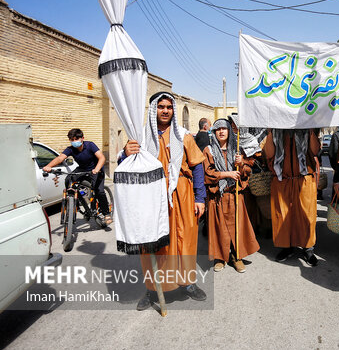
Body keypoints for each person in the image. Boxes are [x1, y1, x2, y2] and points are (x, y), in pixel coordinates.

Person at [122, 92, 208, 311]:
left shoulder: (183, 135)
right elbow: (126, 164)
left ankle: (188, 284)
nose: (165, 110)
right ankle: (152, 289)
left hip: (182, 194)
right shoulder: (140, 137)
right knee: (154, 244)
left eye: (169, 107)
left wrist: (200, 198)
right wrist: (125, 153)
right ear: (153, 109)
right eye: (161, 106)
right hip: (152, 197)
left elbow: (197, 166)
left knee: (184, 240)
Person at [203, 118, 260, 273]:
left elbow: (247, 172)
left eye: (224, 128)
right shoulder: (209, 150)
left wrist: (242, 162)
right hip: (218, 195)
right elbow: (207, 174)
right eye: (218, 129)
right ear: (214, 132)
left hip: (235, 194)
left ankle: (237, 257)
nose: (221, 131)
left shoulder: (237, 150)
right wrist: (225, 174)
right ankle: (220, 258)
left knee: (238, 227)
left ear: (229, 131)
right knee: (219, 228)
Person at [263, 129, 321, 266]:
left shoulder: (307, 129)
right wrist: (271, 131)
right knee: (283, 216)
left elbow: (315, 151)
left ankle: (308, 249)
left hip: (304, 180)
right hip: (282, 180)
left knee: (306, 216)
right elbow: (269, 154)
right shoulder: (276, 131)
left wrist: (310, 127)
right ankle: (286, 247)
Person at [43, 128, 111, 225]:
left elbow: (102, 157)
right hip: (82, 169)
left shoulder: (90, 145)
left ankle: (106, 213)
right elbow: (60, 158)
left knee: (99, 191)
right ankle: (73, 200)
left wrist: (96, 169)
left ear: (82, 138)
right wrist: (49, 166)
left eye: (76, 139)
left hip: (96, 169)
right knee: (69, 179)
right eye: (72, 139)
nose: (74, 142)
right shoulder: (70, 149)